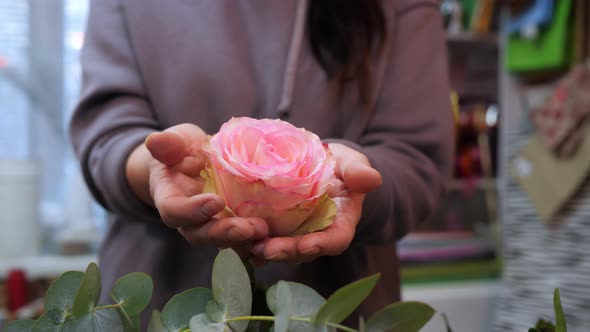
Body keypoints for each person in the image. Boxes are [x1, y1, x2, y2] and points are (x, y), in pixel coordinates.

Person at [70, 0, 453, 327]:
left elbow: (417, 157)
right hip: (161, 307)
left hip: (335, 315)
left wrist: (346, 182)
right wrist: (154, 169)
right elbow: (105, 134)